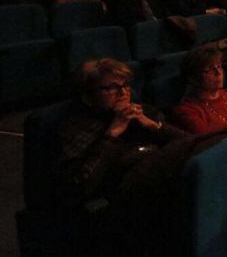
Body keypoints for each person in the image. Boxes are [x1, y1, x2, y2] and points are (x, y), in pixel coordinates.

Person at [57, 58, 205, 254]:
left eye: (125, 85)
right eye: (110, 88)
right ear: (88, 96)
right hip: (123, 203)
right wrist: (112, 135)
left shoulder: (142, 112)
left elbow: (190, 144)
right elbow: (81, 184)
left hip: (164, 182)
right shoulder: (78, 127)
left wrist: (153, 125)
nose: (123, 92)